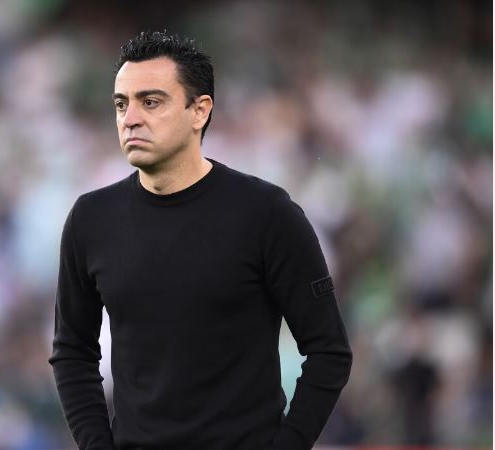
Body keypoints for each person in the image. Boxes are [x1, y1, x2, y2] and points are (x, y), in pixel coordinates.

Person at [48, 31, 352, 450]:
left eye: (150, 102)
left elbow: (328, 351)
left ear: (199, 111)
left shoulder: (267, 214)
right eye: (121, 104)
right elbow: (72, 352)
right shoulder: (90, 219)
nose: (130, 118)